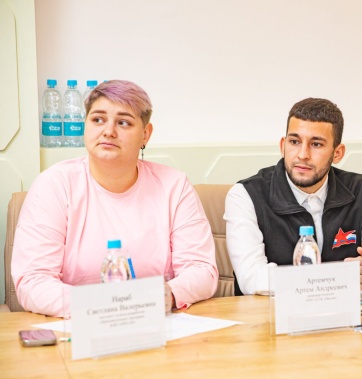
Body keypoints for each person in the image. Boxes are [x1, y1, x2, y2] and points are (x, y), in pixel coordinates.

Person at [12, 80, 219, 317]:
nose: (108, 131)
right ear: (85, 126)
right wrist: (110, 306)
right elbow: (33, 281)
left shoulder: (174, 185)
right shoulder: (53, 185)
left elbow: (201, 269)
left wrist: (168, 295)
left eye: (123, 122)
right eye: (98, 119)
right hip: (75, 326)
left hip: (156, 322)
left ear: (145, 134)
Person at [224, 97, 362, 295]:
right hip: (269, 312)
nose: (302, 154)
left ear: (337, 153)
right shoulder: (246, 195)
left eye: (316, 144)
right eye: (294, 142)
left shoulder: (361, 190)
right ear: (283, 145)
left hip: (344, 311)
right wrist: (337, 278)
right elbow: (251, 278)